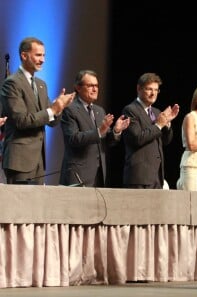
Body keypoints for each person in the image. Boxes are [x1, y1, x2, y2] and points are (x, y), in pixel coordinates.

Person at [0, 37, 74, 185]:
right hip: (19, 160)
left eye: (44, 55)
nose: (43, 60)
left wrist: (59, 109)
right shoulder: (12, 83)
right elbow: (22, 121)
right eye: (38, 55)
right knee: (20, 207)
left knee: (36, 207)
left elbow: (51, 121)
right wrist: (52, 109)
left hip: (39, 161)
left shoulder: (41, 85)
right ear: (24, 55)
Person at [59, 70, 130, 187]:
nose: (95, 89)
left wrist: (116, 131)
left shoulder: (99, 110)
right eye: (90, 85)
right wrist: (99, 131)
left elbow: (106, 141)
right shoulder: (69, 109)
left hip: (99, 174)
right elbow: (73, 139)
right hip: (78, 174)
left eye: (96, 85)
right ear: (78, 87)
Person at [122, 72, 180, 189]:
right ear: (139, 89)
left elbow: (165, 141)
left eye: (156, 90)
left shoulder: (157, 112)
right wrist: (159, 125)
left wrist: (167, 124)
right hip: (139, 176)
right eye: (149, 89)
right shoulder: (130, 110)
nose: (153, 93)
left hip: (156, 176)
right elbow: (137, 139)